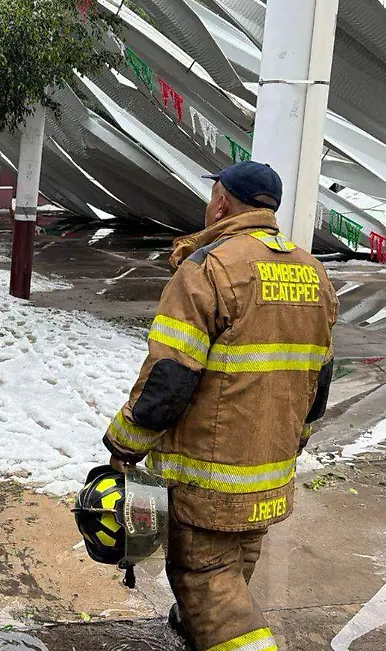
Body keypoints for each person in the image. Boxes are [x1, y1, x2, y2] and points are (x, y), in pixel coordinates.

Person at [101, 161, 337, 651]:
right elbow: (320, 378)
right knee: (234, 572)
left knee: (207, 581)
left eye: (212, 197)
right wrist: (295, 440)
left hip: (210, 480)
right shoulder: (313, 273)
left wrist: (124, 444)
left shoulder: (209, 269)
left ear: (222, 204)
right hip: (270, 473)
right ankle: (197, 628)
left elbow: (170, 376)